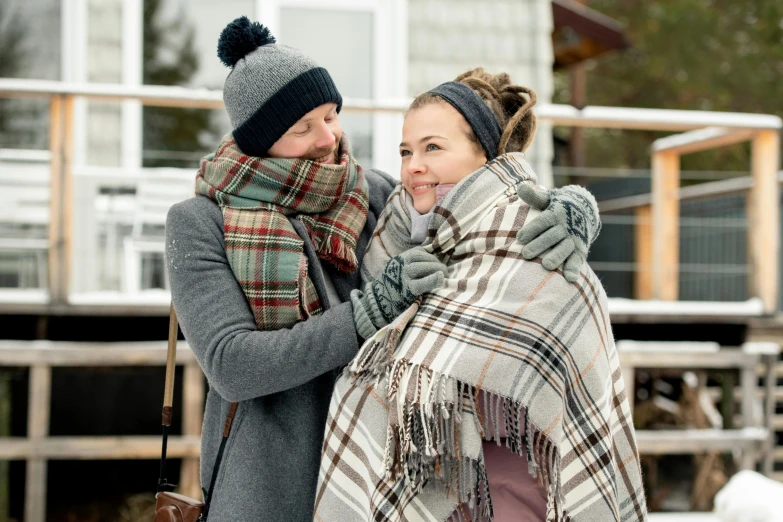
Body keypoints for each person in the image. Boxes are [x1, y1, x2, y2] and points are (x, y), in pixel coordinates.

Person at [165, 17, 602, 521]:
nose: (328, 138)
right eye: (303, 128)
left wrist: (571, 209)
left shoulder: (370, 193)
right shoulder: (200, 223)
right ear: (260, 140)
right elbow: (232, 364)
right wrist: (365, 315)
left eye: (330, 115)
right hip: (270, 485)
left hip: (375, 473)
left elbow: (483, 206)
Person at [314, 69, 647, 522]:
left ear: (485, 155)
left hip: (521, 495)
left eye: (433, 147)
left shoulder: (540, 243)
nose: (413, 165)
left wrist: (581, 205)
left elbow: (574, 379)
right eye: (406, 151)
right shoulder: (395, 238)